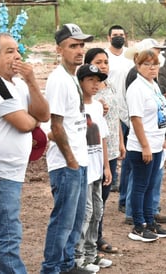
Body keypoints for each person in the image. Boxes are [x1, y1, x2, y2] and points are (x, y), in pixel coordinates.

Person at [0, 32, 49, 274]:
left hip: (7, 172)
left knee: (0, 234)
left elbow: (44, 114)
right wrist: (33, 120)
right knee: (8, 235)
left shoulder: (14, 85)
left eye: (17, 50)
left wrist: (32, 82)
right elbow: (24, 123)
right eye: (9, 52)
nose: (17, 56)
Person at [40, 23, 94, 274]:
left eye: (81, 45)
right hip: (65, 163)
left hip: (78, 160)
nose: (79, 50)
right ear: (59, 49)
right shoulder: (58, 80)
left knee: (74, 220)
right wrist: (71, 160)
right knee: (63, 220)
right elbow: (56, 126)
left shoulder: (71, 77)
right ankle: (51, 268)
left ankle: (66, 264)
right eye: (73, 45)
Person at [123, 38, 166, 225]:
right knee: (140, 186)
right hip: (143, 145)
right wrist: (145, 146)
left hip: (155, 141)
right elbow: (136, 118)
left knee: (151, 185)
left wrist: (160, 139)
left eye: (155, 64)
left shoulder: (153, 85)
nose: (152, 68)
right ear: (138, 65)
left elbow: (157, 111)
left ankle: (149, 220)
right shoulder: (136, 87)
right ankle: (138, 223)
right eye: (147, 64)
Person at [83, 48, 123, 255]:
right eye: (99, 62)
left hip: (112, 149)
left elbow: (115, 117)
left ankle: (97, 236)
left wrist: (121, 144)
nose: (104, 65)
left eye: (106, 61)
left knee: (103, 197)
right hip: (94, 150)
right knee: (91, 198)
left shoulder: (111, 86)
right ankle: (91, 241)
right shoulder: (88, 90)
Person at [74, 64, 113, 272]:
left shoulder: (98, 106)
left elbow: (103, 138)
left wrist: (106, 166)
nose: (95, 84)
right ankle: (78, 256)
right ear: (80, 82)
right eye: (90, 80)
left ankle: (91, 254)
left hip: (97, 167)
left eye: (98, 80)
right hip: (84, 168)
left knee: (97, 211)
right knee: (86, 212)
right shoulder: (76, 107)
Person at [104, 25, 133, 193]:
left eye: (121, 35)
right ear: (109, 38)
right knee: (112, 145)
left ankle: (125, 184)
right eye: (115, 35)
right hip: (112, 106)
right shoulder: (104, 56)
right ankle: (112, 178)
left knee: (129, 149)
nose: (118, 38)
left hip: (129, 106)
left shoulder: (130, 56)